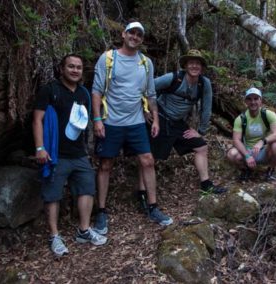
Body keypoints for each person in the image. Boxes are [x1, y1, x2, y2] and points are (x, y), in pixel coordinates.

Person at [91, 21, 173, 235]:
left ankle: (153, 207)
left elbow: (151, 94)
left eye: (139, 34)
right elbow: (97, 91)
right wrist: (97, 119)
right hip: (111, 121)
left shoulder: (145, 63)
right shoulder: (108, 59)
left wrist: (155, 119)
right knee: (106, 164)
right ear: (123, 34)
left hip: (136, 121)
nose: (135, 37)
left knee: (147, 160)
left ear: (142, 39)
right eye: (131, 32)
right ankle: (100, 210)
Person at [33, 54, 107, 257]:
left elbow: (85, 124)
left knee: (87, 189)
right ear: (62, 68)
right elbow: (37, 120)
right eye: (71, 66)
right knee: (53, 194)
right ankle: (55, 236)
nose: (75, 70)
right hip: (56, 153)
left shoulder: (83, 93)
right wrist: (40, 148)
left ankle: (83, 230)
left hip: (79, 153)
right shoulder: (50, 90)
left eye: (79, 67)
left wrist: (87, 149)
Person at [138, 49, 226, 202]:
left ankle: (206, 185)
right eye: (191, 63)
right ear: (185, 65)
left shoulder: (204, 84)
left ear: (202, 67)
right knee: (150, 157)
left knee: (201, 147)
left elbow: (207, 108)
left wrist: (201, 131)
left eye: (198, 64)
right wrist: (145, 109)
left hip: (177, 123)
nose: (194, 66)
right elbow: (147, 88)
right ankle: (142, 192)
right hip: (160, 117)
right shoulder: (173, 78)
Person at [226, 87, 276, 180]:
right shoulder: (241, 119)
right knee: (231, 154)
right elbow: (236, 140)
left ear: (261, 100)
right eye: (249, 99)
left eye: (256, 99)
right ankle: (246, 170)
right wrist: (247, 155)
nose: (253, 102)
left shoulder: (269, 114)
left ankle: (271, 170)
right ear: (246, 102)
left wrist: (262, 142)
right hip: (248, 151)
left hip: (265, 151)